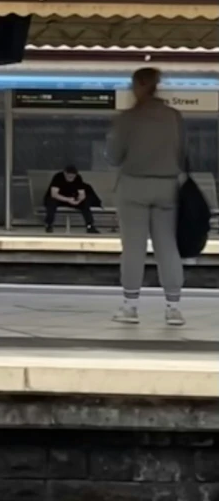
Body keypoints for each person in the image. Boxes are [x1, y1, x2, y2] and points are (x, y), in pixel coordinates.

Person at [108, 67, 188, 327]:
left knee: (133, 248)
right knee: (167, 247)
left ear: (137, 86)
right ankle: (173, 307)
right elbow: (183, 152)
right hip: (167, 187)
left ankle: (130, 306)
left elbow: (114, 156)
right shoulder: (174, 117)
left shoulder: (128, 118)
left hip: (133, 186)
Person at [42, 165, 99, 233]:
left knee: (85, 204)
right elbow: (54, 194)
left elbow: (82, 193)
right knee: (51, 202)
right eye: (69, 176)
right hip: (59, 198)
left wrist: (79, 200)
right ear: (65, 173)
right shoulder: (58, 177)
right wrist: (67, 199)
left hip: (71, 198)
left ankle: (89, 226)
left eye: (72, 177)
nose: (71, 178)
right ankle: (49, 224)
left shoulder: (78, 178)